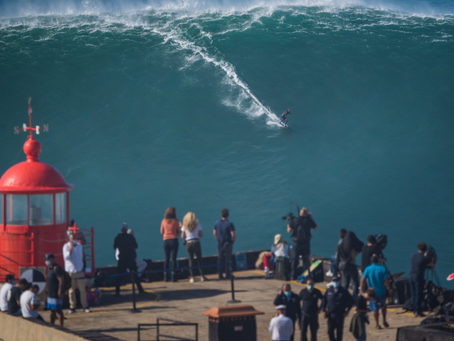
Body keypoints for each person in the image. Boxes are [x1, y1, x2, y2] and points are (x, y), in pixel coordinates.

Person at [63, 230, 91, 314]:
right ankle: (72, 307)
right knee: (71, 291)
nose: (73, 238)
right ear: (69, 238)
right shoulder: (66, 246)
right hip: (70, 272)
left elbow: (81, 257)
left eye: (74, 236)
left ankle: (85, 306)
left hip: (79, 271)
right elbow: (66, 258)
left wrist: (83, 266)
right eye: (72, 236)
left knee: (82, 289)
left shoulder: (79, 246)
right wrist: (71, 248)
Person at [360, 255, 391, 329]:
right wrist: (389, 289)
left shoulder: (368, 268)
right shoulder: (382, 269)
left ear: (371, 261)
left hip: (372, 293)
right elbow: (386, 280)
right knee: (383, 307)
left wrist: (361, 290)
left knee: (375, 309)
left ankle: (377, 324)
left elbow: (363, 280)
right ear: (378, 261)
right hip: (381, 291)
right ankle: (384, 320)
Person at [287, 207, 318, 280]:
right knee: (306, 261)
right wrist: (311, 218)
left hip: (296, 244)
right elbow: (316, 228)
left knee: (294, 260)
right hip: (305, 244)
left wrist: (288, 223)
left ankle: (293, 276)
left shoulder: (294, 220)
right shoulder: (309, 220)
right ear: (307, 214)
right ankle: (305, 276)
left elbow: (289, 231)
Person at [114, 223, 145, 294]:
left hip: (122, 258)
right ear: (127, 230)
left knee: (119, 276)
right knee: (135, 275)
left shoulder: (117, 238)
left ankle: (117, 292)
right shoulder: (130, 237)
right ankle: (140, 290)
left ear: (121, 230)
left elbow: (114, 247)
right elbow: (136, 246)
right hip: (130, 259)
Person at [320, 276, 354, 341]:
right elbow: (324, 300)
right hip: (330, 314)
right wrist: (323, 310)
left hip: (340, 314)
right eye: (334, 281)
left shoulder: (344, 291)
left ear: (339, 281)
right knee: (330, 331)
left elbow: (351, 301)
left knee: (339, 331)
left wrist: (347, 311)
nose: (335, 282)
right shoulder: (329, 290)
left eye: (337, 281)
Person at [410, 242, 436, 317]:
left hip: (411, 275)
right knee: (419, 294)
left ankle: (414, 309)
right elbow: (433, 266)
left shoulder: (413, 256)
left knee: (413, 293)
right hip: (418, 277)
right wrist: (435, 259)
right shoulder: (425, 258)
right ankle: (418, 311)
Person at [181, 211, 207, 283]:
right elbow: (201, 235)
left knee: (190, 260)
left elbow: (182, 236)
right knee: (199, 259)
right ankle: (202, 276)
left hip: (188, 243)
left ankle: (192, 277)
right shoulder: (197, 225)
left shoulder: (184, 225)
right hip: (196, 242)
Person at [337, 231, 363, 301]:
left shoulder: (341, 245)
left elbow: (338, 256)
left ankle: (343, 296)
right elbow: (355, 254)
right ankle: (354, 297)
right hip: (351, 265)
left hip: (343, 266)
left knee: (345, 282)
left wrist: (337, 268)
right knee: (355, 281)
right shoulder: (351, 248)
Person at [213, 208, 236, 280]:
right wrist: (233, 241)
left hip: (220, 243)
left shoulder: (217, 223)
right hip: (228, 243)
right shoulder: (230, 224)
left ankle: (220, 274)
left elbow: (214, 233)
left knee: (220, 259)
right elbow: (233, 235)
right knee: (227, 259)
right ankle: (227, 274)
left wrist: (218, 239)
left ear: (221, 215)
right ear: (228, 215)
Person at [161, 208, 181, 282]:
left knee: (166, 258)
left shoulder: (163, 221)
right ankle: (173, 276)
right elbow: (180, 231)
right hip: (174, 240)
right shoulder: (176, 221)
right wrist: (180, 225)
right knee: (173, 259)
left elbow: (161, 231)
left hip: (166, 240)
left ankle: (165, 276)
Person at [45, 253, 65, 326]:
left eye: (49, 259)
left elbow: (61, 280)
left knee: (58, 311)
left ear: (53, 259)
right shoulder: (50, 268)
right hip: (50, 293)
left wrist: (60, 291)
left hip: (56, 293)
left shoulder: (57, 268)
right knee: (52, 310)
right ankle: (52, 324)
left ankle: (61, 327)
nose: (47, 261)